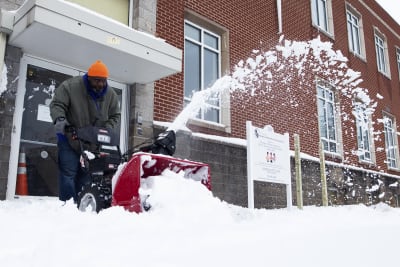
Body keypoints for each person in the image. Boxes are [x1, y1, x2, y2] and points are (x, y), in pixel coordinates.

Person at [50, 60, 121, 202]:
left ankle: (81, 205)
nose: (100, 84)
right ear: (89, 77)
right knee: (68, 173)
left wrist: (107, 129)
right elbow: (57, 104)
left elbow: (115, 115)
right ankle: (68, 205)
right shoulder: (71, 86)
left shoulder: (111, 95)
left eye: (103, 81)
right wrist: (60, 119)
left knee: (86, 175)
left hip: (92, 144)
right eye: (96, 80)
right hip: (70, 138)